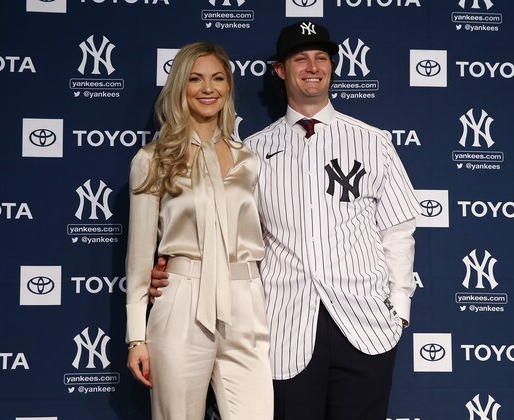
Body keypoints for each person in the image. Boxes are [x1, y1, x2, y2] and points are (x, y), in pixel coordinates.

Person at [150, 22, 421, 420]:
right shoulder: (251, 152)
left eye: (321, 58)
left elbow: (398, 230)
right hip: (285, 326)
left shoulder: (373, 141)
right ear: (280, 70)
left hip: (366, 323)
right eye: (300, 58)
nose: (312, 67)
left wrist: (398, 308)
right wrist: (170, 270)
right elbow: (229, 233)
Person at [125, 42, 273, 420]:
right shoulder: (152, 160)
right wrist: (136, 337)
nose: (208, 88)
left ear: (228, 87)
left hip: (245, 300)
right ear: (180, 87)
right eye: (196, 79)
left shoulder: (250, 160)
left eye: (217, 78)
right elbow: (140, 257)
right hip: (181, 301)